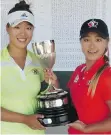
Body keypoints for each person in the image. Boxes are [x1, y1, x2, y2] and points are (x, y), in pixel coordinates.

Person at [1, 0, 58, 134]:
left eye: (28, 27)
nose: (23, 33)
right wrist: (25, 119)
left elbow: (51, 92)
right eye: (17, 27)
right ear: (7, 28)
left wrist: (53, 81)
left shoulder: (39, 60)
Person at [66, 19, 111, 134]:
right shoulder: (78, 70)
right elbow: (70, 102)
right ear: (80, 42)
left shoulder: (107, 76)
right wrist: (53, 82)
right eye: (86, 40)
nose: (92, 45)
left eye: (98, 40)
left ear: (107, 42)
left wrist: (87, 129)